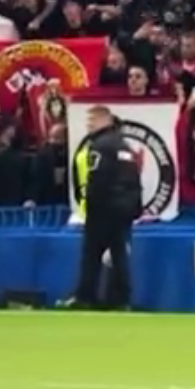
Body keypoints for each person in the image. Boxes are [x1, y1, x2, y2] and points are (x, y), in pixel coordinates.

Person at [69, 105, 142, 311]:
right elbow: (133, 179)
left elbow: (98, 179)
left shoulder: (99, 146)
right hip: (124, 208)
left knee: (91, 255)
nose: (88, 125)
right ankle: (121, 300)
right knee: (119, 255)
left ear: (103, 121)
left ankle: (86, 297)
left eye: (91, 121)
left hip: (103, 208)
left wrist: (91, 206)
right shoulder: (124, 146)